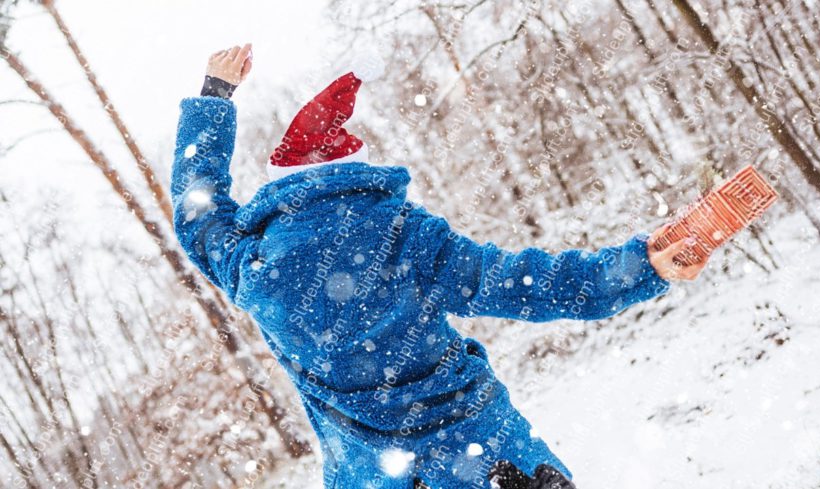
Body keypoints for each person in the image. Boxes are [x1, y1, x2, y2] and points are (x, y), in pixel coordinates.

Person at [171, 44, 708, 489]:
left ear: (281, 184)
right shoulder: (405, 235)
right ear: (357, 171)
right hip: (495, 464)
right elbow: (529, 283)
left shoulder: (251, 261)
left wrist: (214, 95)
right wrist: (642, 266)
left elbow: (197, 210)